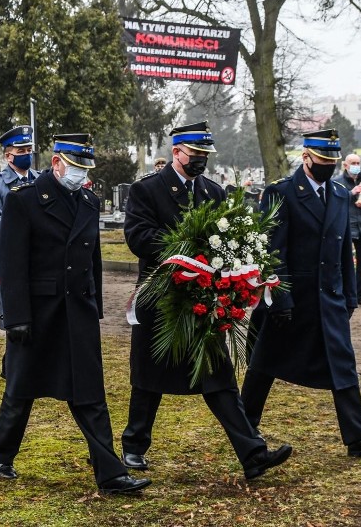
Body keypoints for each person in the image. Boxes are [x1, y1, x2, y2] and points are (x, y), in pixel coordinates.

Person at [122, 121, 291, 480]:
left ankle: (253, 454)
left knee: (220, 379)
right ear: (177, 152)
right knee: (149, 379)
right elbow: (138, 237)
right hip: (162, 297)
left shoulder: (212, 192)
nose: (200, 160)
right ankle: (134, 448)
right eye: (195, 154)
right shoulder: (147, 191)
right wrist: (188, 247)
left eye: (204, 155)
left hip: (205, 301)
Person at [0, 133, 151, 495]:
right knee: (21, 388)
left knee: (89, 394)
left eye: (85, 169)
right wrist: (15, 317)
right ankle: (0, 452)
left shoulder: (88, 202)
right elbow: (12, 264)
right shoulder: (25, 201)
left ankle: (110, 473)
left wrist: (94, 304)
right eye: (76, 167)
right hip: (37, 312)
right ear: (57, 162)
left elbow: (91, 261)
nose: (81, 175)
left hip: (77, 311)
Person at [241, 129, 361, 458]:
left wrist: (350, 295)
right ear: (306, 158)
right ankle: (244, 425)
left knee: (342, 363)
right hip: (291, 298)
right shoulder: (281, 193)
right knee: (266, 361)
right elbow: (273, 250)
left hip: (329, 297)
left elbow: (343, 252)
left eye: (332, 161)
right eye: (322, 160)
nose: (328, 166)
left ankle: (358, 436)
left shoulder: (339, 195)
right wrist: (280, 297)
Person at [0, 126, 38, 328]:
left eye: (29, 150)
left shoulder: (40, 181)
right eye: (20, 152)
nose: (26, 155)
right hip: (10, 256)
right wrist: (24, 228)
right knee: (15, 318)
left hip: (40, 255)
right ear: (8, 156)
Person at [333, 153, 361, 305]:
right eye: (352, 162)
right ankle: (344, 294)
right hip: (346, 227)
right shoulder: (337, 182)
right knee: (344, 263)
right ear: (345, 165)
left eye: (358, 162)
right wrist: (351, 193)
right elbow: (335, 201)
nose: (356, 165)